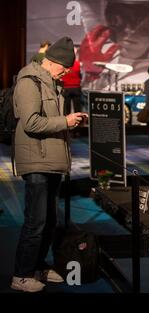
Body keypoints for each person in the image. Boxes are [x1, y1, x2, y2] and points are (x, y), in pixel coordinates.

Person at [12, 37, 88, 292]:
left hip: (51, 159)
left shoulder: (52, 83)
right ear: (53, 62)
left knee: (49, 220)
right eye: (64, 68)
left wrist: (69, 121)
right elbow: (31, 123)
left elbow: (51, 120)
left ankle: (38, 267)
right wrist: (65, 122)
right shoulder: (28, 82)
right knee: (36, 221)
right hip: (35, 160)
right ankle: (21, 275)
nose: (66, 73)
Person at [79, 0, 149, 90]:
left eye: (143, 23)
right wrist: (91, 74)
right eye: (118, 20)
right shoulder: (106, 60)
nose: (129, 31)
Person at [61, 47, 82, 115]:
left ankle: (68, 123)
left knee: (67, 109)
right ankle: (79, 123)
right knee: (77, 108)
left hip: (66, 88)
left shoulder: (64, 64)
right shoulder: (78, 64)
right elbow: (80, 75)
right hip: (76, 87)